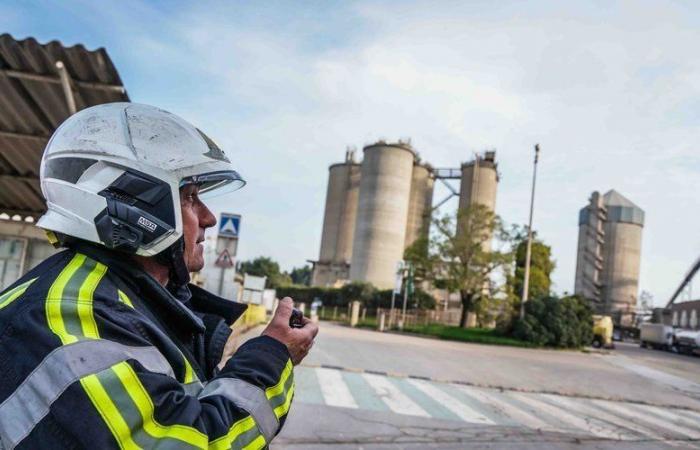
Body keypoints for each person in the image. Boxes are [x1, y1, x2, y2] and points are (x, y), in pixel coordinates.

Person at [0, 103, 318, 449]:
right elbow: (195, 442)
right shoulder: (71, 313)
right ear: (138, 204)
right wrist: (272, 354)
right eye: (190, 198)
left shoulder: (123, 301)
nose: (209, 218)